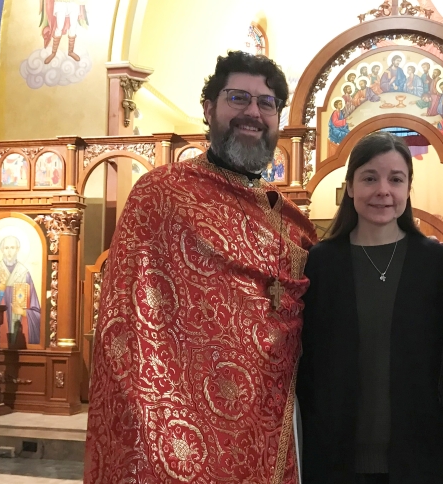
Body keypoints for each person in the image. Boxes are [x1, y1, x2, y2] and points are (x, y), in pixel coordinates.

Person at [84, 51, 317, 484]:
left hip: (269, 424)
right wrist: (150, 432)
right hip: (171, 433)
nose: (253, 112)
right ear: (208, 109)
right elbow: (123, 327)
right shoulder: (161, 194)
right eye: (238, 98)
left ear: (278, 119)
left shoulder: (290, 223)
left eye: (266, 103)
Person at [298, 132, 443, 483]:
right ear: (351, 187)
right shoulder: (319, 263)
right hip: (333, 455)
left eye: (395, 179)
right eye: (370, 178)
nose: (383, 190)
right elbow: (306, 363)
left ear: (408, 188)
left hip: (419, 454)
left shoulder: (437, 263)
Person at [0, 235, 42, 346]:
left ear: (17, 249)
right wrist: (0, 290)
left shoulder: (24, 274)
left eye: (12, 248)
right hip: (0, 326)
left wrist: (23, 312)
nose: (9, 252)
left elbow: (35, 309)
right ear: (2, 250)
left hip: (21, 325)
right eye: (6, 248)